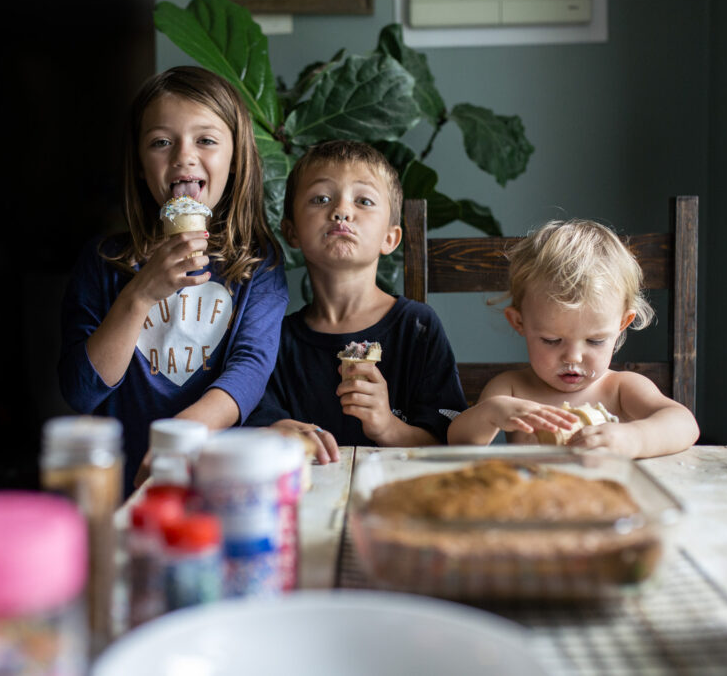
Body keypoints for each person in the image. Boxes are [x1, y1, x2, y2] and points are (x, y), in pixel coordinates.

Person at [58, 66, 288, 492]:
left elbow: (249, 369)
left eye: (205, 140)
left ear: (235, 161)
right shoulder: (103, 261)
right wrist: (141, 294)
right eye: (162, 142)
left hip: (220, 481)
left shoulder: (258, 265)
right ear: (142, 168)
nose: (183, 156)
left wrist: (179, 439)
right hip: (126, 486)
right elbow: (81, 390)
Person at [246, 140, 467, 462]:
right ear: (291, 232)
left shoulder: (417, 327)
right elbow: (255, 423)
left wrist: (387, 427)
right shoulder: (275, 339)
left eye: (363, 201)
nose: (342, 211)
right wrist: (277, 429)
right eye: (321, 198)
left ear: (390, 238)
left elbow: (450, 445)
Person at [447, 219, 699, 457]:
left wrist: (634, 438)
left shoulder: (622, 389)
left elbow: (685, 424)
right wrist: (491, 414)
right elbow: (458, 442)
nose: (573, 357)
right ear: (519, 322)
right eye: (551, 340)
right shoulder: (511, 389)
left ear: (622, 325)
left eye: (595, 341)